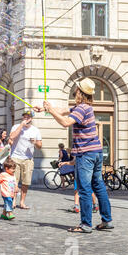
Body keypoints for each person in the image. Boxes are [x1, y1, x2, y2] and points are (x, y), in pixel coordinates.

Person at [40, 77, 113, 233]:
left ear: (80, 92)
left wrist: (51, 111)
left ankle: (85, 224)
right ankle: (106, 220)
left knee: (85, 189)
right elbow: (63, 111)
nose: (74, 91)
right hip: (96, 152)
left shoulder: (81, 109)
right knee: (98, 186)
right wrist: (46, 109)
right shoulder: (85, 107)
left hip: (86, 154)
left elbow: (65, 122)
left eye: (76, 89)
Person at [9, 110, 42, 210]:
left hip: (28, 159)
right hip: (15, 157)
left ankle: (22, 202)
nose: (25, 119)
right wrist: (21, 126)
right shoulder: (16, 127)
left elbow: (40, 146)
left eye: (28, 117)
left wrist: (35, 142)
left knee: (26, 182)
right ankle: (13, 200)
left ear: (31, 119)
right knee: (14, 181)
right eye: (24, 117)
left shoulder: (35, 130)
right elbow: (12, 137)